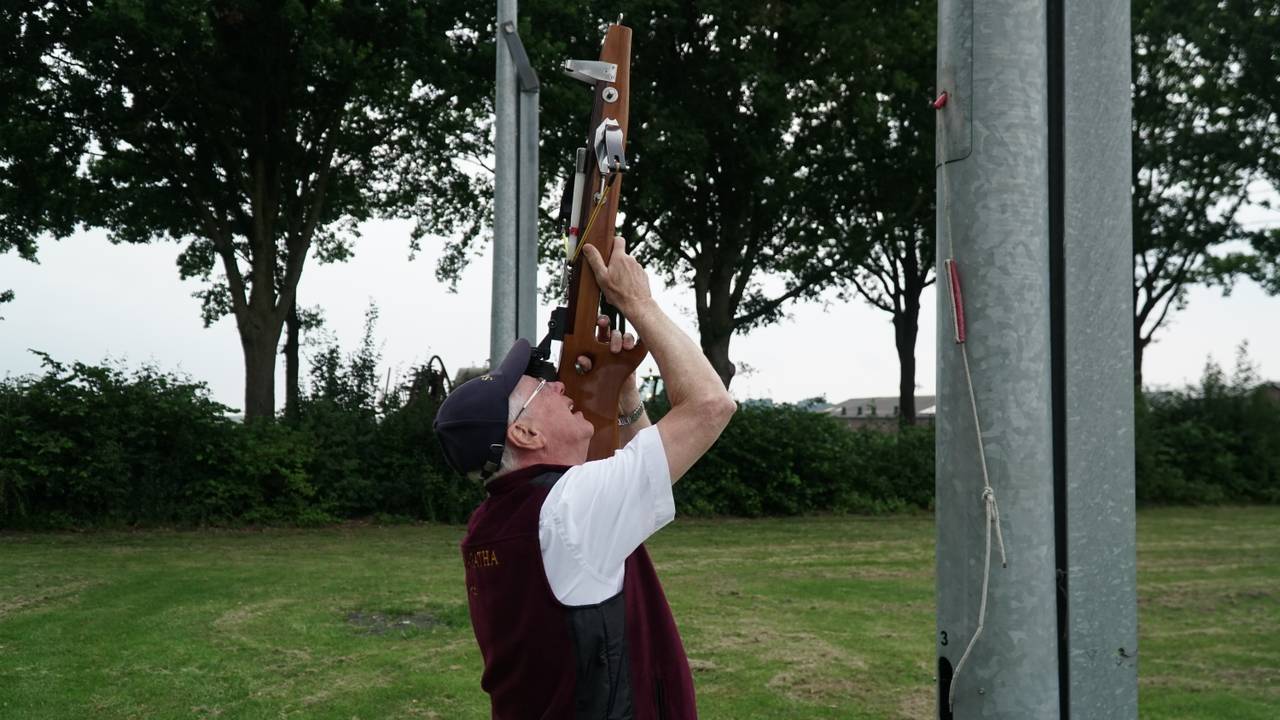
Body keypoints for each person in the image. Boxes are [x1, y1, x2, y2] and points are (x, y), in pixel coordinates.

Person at [434, 236, 736, 720]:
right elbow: (711, 405)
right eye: (540, 386)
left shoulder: (501, 522)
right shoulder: (568, 513)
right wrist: (637, 302)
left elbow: (642, 482)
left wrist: (625, 396)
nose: (558, 384)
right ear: (526, 432)